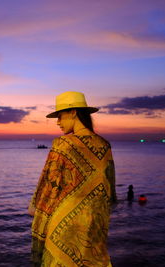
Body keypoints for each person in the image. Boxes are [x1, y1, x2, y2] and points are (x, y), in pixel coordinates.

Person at [28, 91, 117, 267]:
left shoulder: (63, 144)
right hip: (94, 228)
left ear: (73, 112)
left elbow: (49, 184)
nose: (58, 122)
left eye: (60, 116)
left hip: (64, 226)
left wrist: (35, 208)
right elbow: (109, 189)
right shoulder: (105, 145)